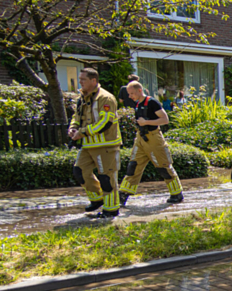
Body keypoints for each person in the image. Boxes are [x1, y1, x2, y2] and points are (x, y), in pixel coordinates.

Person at [119, 81, 184, 206]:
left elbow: (165, 120)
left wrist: (146, 122)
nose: (129, 96)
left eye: (131, 93)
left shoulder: (152, 102)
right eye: (129, 94)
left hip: (154, 138)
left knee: (164, 166)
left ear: (139, 90)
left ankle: (177, 193)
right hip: (141, 138)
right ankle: (123, 194)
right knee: (133, 166)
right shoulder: (138, 103)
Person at [68, 68, 121, 219]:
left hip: (106, 145)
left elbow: (105, 122)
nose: (80, 82)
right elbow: (76, 117)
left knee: (107, 178)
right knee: (79, 171)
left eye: (83, 80)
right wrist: (73, 129)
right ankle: (97, 199)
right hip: (88, 145)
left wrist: (83, 132)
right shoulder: (82, 98)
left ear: (93, 81)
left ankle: (111, 209)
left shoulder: (106, 98)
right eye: (80, 79)